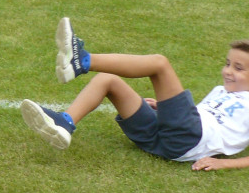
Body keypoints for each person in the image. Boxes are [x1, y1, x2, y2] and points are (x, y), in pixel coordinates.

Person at [21, 18, 249, 172]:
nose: (228, 71)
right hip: (164, 140)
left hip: (187, 139)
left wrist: (225, 165)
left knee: (160, 65)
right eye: (228, 64)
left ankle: (82, 61)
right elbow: (203, 115)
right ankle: (65, 123)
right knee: (107, 80)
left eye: (238, 68)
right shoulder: (222, 91)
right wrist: (162, 107)